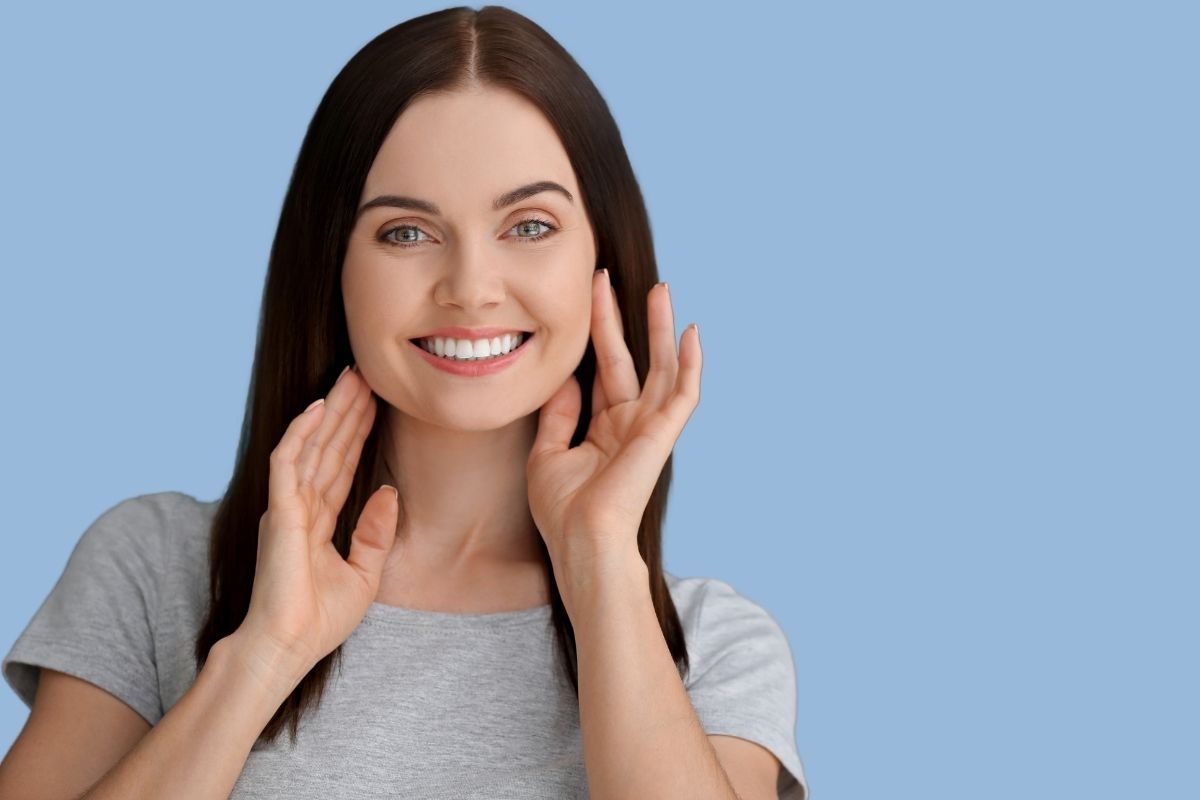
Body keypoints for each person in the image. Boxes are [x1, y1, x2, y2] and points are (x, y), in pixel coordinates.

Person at [0, 6, 809, 799]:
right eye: (406, 233)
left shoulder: (715, 646)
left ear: (603, 255)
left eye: (529, 226)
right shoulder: (152, 566)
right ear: (332, 268)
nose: (471, 289)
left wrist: (600, 565)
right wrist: (261, 657)